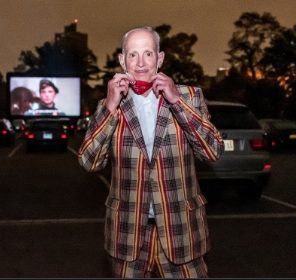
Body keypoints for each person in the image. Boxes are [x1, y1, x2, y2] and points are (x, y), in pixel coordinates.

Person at [78, 26, 224, 278]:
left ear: (160, 58)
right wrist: (111, 107)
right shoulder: (109, 104)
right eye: (133, 55)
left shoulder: (190, 96)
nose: (141, 62)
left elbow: (212, 151)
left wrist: (176, 101)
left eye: (148, 53)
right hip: (128, 234)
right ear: (122, 60)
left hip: (182, 232)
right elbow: (89, 162)